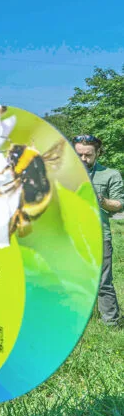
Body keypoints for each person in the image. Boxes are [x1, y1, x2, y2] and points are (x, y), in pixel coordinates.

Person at [74, 134, 123, 328]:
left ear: (98, 153)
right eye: (79, 155)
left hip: (99, 236)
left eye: (88, 155)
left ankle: (111, 323)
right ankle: (75, 322)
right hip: (68, 236)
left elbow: (119, 204)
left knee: (103, 282)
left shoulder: (110, 174)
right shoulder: (61, 174)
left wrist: (101, 200)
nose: (84, 159)